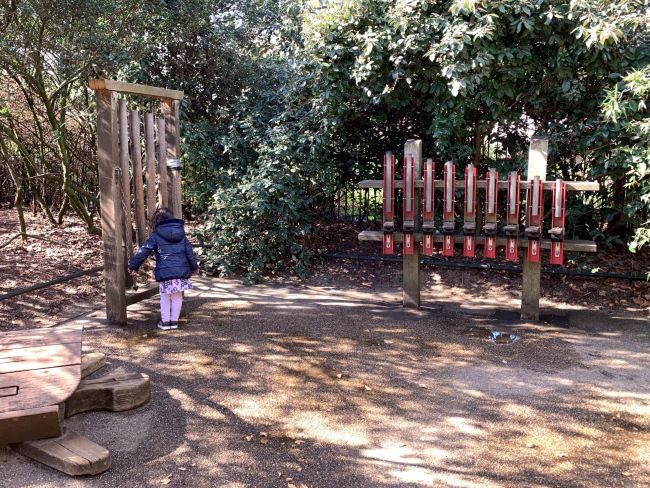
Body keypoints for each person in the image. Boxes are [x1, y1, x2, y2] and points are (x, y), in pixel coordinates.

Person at [128, 207, 198, 330]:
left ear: (157, 220)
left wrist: (133, 265)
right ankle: (174, 322)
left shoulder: (156, 235)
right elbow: (189, 252)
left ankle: (165, 323)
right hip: (181, 271)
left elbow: (144, 250)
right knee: (177, 297)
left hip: (165, 272)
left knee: (165, 296)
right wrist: (194, 267)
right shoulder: (181, 234)